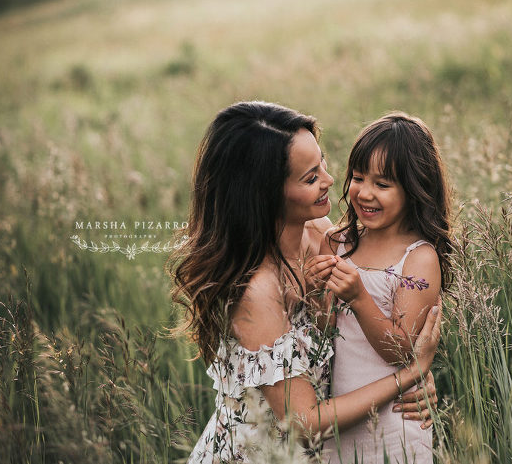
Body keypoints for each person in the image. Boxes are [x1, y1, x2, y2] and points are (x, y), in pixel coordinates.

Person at [169, 102, 442, 463]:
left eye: (323, 165)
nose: (331, 181)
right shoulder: (257, 292)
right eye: (311, 177)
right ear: (266, 193)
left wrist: (412, 380)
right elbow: (303, 423)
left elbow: (364, 326)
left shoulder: (323, 238)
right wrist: (407, 377)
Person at [309, 113, 453, 464]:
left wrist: (359, 297)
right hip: (340, 415)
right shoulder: (337, 241)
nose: (365, 193)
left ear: (415, 189)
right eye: (358, 178)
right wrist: (317, 293)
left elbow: (403, 351)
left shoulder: (417, 258)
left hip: (395, 418)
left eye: (383, 185)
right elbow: (324, 330)